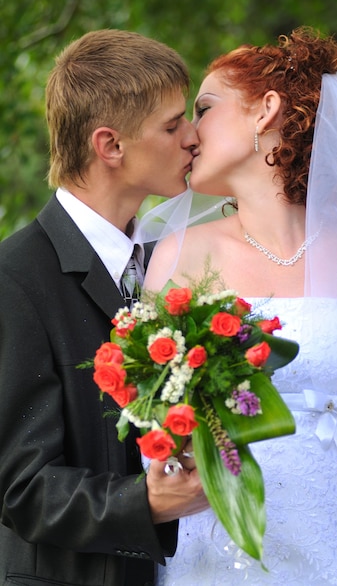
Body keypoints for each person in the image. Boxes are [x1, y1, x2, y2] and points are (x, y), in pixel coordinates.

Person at [143, 27, 337, 584]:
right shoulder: (180, 255)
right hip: (217, 556)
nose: (187, 135)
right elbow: (154, 419)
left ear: (265, 110)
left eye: (204, 108)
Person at [0, 29, 209, 586]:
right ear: (110, 145)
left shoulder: (168, 263)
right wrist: (148, 503)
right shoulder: (14, 277)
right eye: (172, 125)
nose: (194, 138)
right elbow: (20, 487)